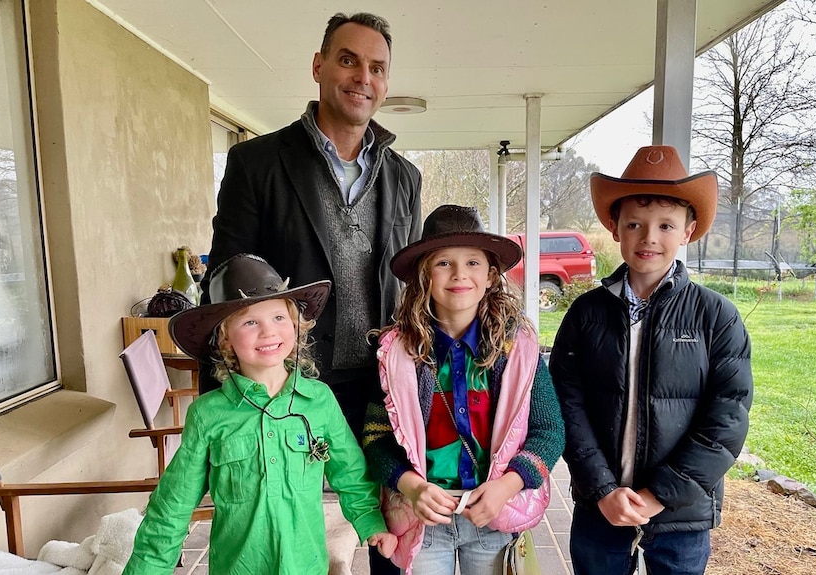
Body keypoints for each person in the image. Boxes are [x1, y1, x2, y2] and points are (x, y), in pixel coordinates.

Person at [200, 11, 423, 442]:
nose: (363, 77)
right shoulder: (256, 164)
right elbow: (226, 286)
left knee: (368, 507)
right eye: (348, 60)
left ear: (386, 83)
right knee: (291, 507)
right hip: (283, 385)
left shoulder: (405, 178)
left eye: (376, 68)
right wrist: (225, 408)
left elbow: (411, 285)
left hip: (381, 388)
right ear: (318, 66)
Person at [123, 254, 397, 575]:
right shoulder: (208, 414)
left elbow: (351, 474)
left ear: (296, 324)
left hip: (305, 565)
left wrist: (369, 522)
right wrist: (146, 568)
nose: (269, 332)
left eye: (279, 318)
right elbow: (173, 504)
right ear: (225, 338)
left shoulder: (319, 401)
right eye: (250, 322)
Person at [549, 145, 753, 575]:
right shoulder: (586, 314)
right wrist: (603, 488)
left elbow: (727, 418)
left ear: (688, 231)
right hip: (600, 508)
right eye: (635, 224)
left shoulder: (715, 316)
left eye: (665, 225)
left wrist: (660, 494)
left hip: (681, 515)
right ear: (615, 227)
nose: (649, 238)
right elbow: (566, 405)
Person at [362, 205, 565, 575]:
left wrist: (509, 485)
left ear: (490, 275)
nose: (459, 274)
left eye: (473, 263)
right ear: (423, 275)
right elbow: (375, 437)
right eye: (443, 263)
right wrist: (409, 486)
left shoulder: (518, 352)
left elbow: (549, 432)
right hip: (422, 517)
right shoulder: (396, 356)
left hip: (493, 515)